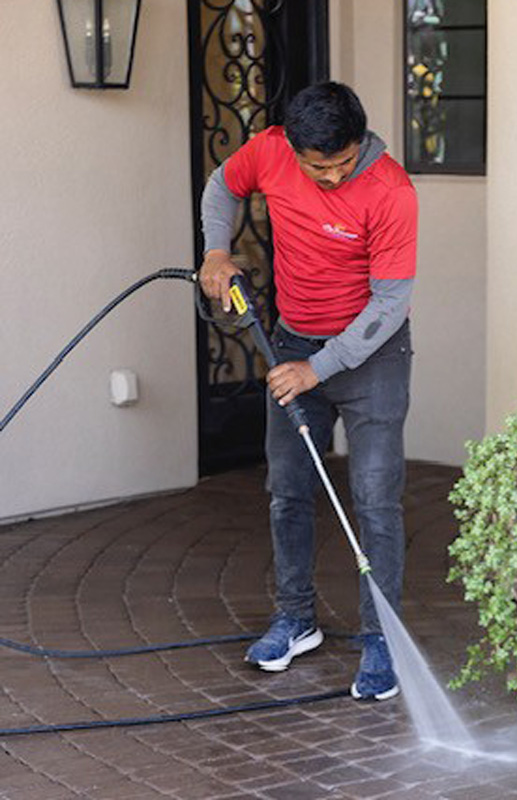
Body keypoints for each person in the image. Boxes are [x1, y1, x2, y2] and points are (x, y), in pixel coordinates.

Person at [198, 82, 417, 701]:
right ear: (291, 148)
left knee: (375, 499)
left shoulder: (391, 190)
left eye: (345, 162)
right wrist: (217, 251)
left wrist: (320, 369)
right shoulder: (267, 152)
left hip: (371, 358)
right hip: (293, 343)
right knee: (288, 491)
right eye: (320, 167)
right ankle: (296, 620)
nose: (333, 176)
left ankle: (383, 637)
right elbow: (223, 185)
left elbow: (391, 302)